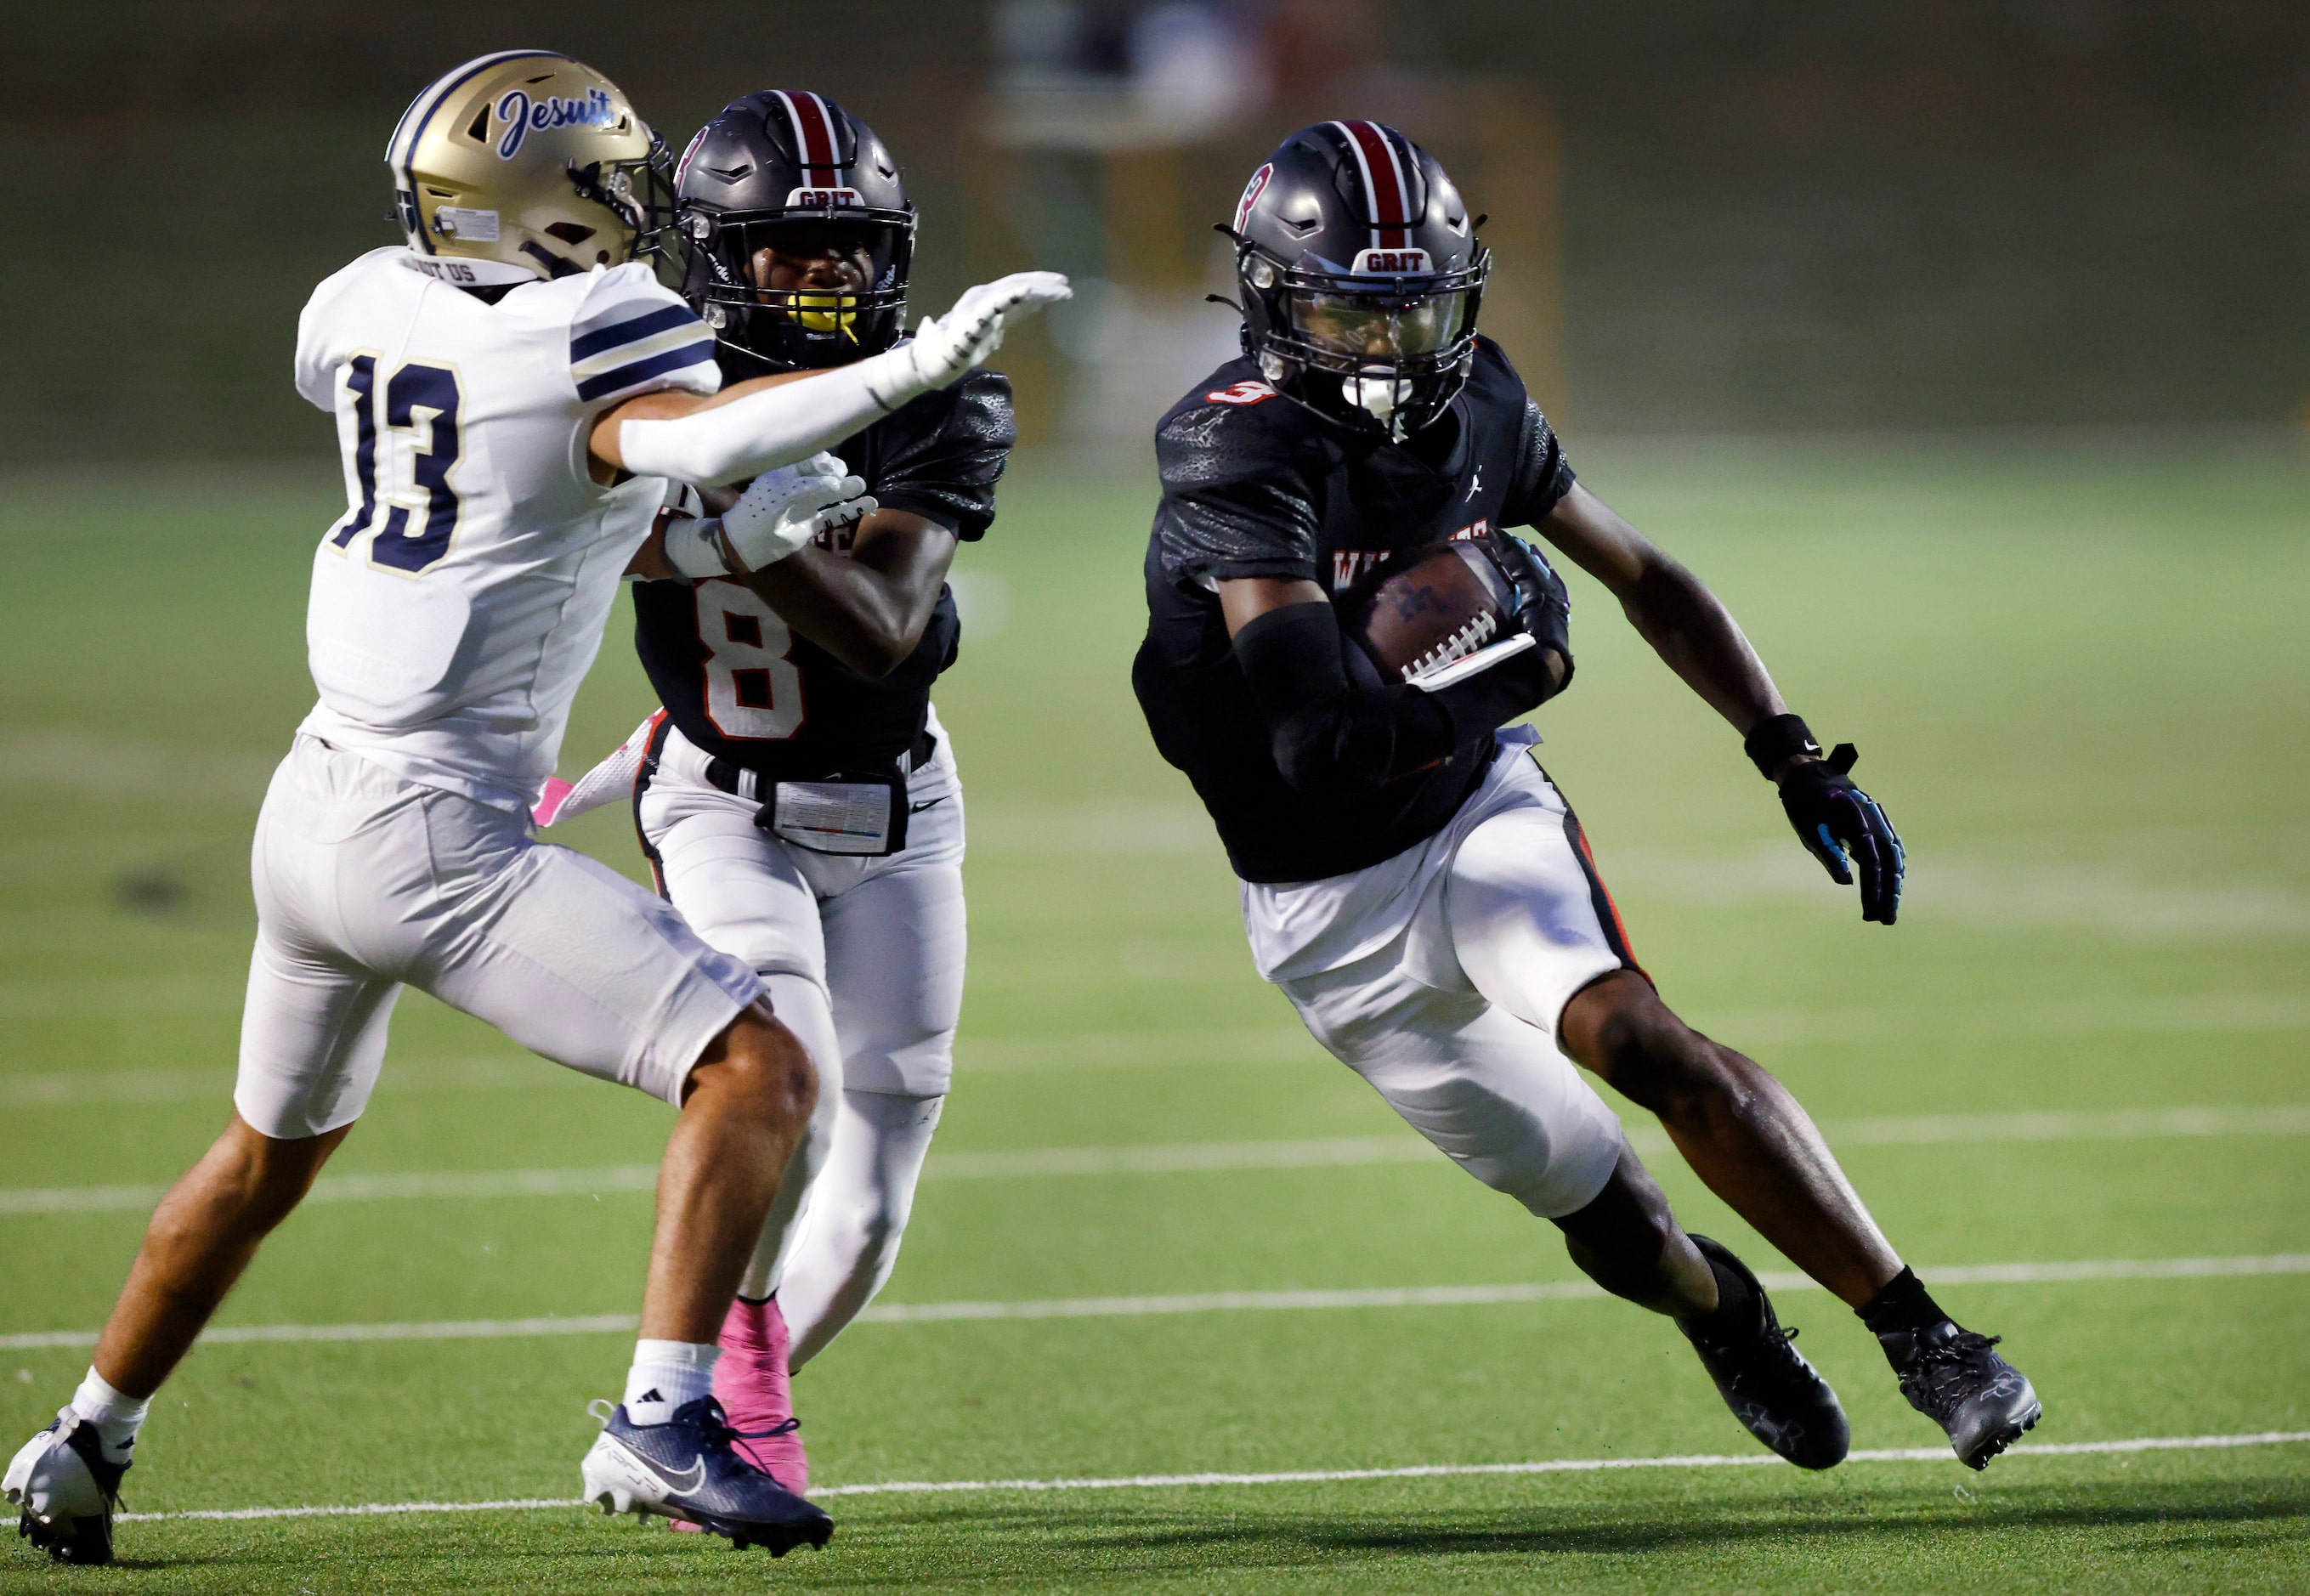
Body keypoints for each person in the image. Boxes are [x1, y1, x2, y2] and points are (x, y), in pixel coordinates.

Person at [3, 52, 1064, 1567]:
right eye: (607, 191)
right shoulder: (593, 330)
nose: (629, 217)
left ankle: (88, 1433)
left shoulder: (364, 296)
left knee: (257, 1162)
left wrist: (704, 546)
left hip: (308, 799)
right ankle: (660, 1409)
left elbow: (568, 471)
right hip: (439, 834)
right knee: (759, 1068)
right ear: (550, 212)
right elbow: (690, 441)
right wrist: (903, 373)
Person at [1131, 119, 2041, 1474]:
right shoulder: (1234, 454)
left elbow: (1647, 573)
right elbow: (1318, 739)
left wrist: (1785, 746)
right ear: (1272, 299)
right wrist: (1518, 671)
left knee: (1639, 1038)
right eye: (1346, 311)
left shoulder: (1483, 403)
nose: (1387, 350)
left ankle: (1927, 1336)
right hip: (1324, 911)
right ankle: (1723, 1311)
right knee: (1613, 1220)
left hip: (1470, 818)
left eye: (1413, 311)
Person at [540, 88, 1027, 1500]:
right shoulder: (653, 381)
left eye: (848, 245)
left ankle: (726, 1404)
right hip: (722, 799)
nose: (825, 272)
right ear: (713, 255)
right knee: (788, 1087)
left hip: (896, 807)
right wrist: (720, 521)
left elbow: (880, 626)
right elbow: (542, 532)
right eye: (788, 247)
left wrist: (727, 532)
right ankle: (688, 1403)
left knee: (869, 1200)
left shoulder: (941, 388)